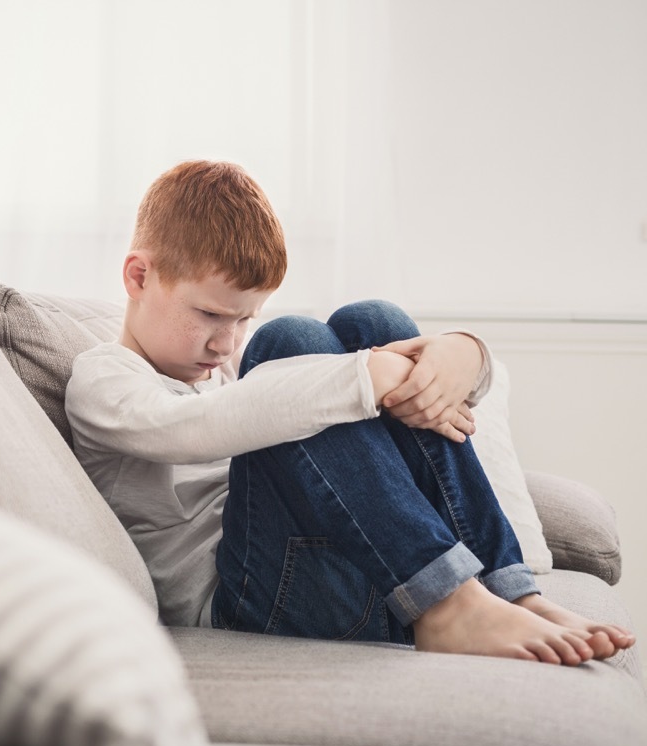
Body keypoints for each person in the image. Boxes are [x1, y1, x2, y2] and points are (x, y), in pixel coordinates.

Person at [65, 160, 635, 664]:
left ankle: (506, 592)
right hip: (250, 600)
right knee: (291, 343)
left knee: (372, 321)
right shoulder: (104, 380)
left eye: (243, 319)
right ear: (139, 276)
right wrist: (364, 378)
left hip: (356, 577)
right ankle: (447, 602)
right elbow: (194, 429)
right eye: (211, 315)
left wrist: (466, 355)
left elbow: (350, 417)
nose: (226, 341)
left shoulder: (224, 365)